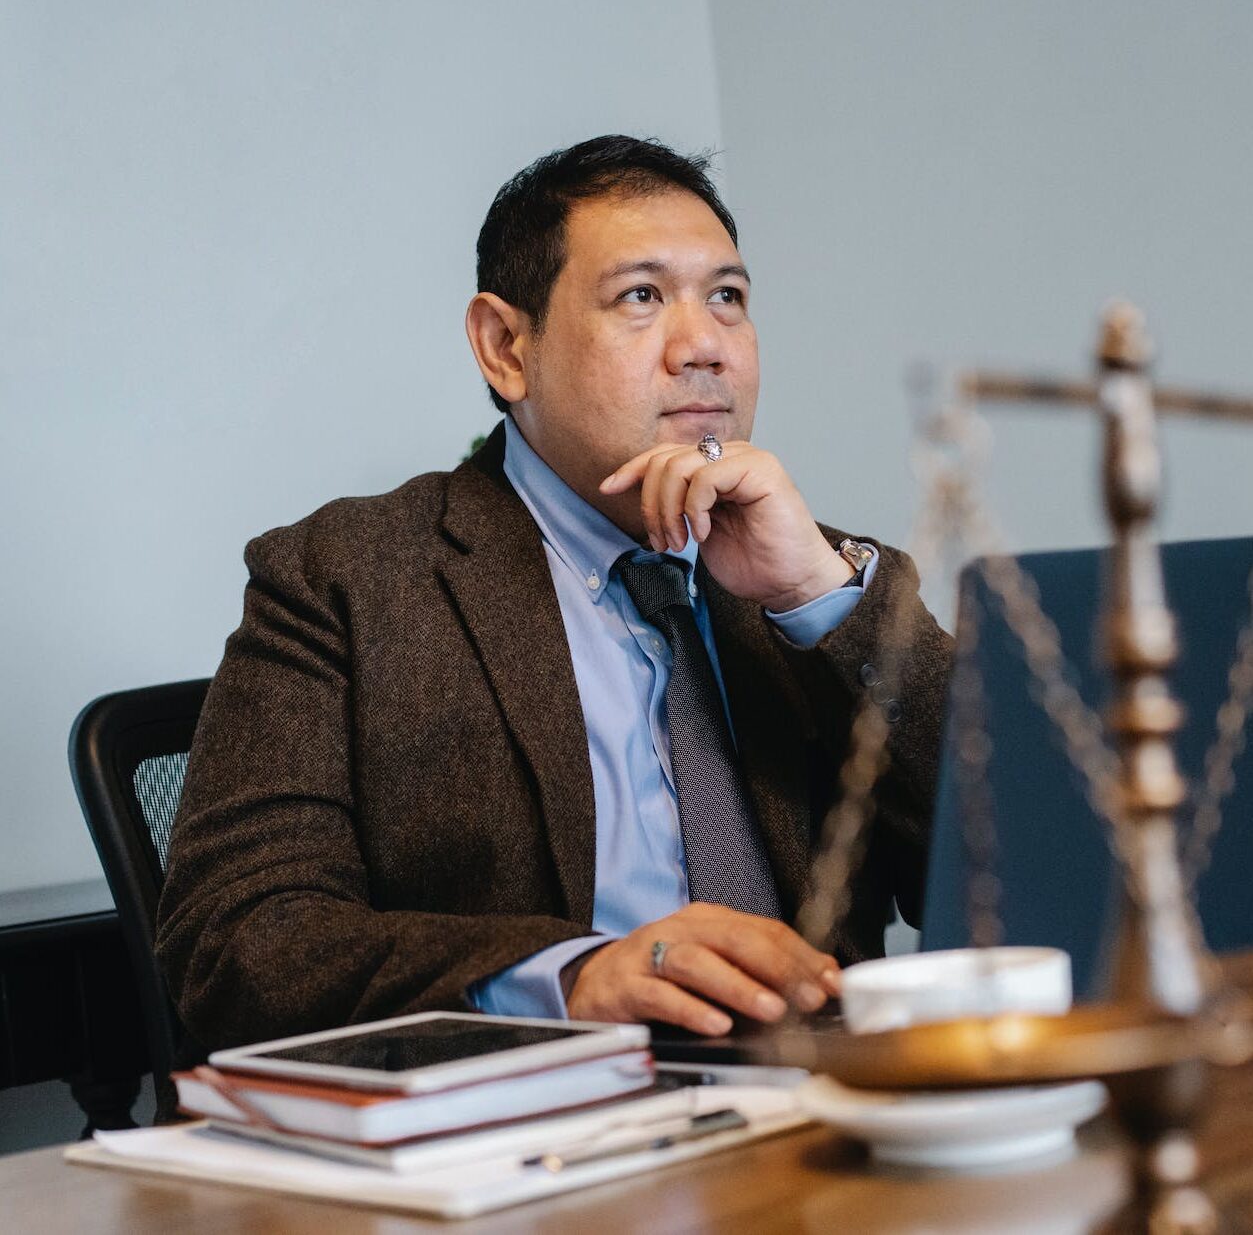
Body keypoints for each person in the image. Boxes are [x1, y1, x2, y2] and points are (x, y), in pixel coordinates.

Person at [155, 135, 951, 1054]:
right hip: (539, 1140)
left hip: (829, 1108)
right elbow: (236, 944)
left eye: (726, 298)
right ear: (505, 346)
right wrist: (570, 976)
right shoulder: (346, 579)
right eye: (641, 297)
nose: (704, 348)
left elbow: (1029, 859)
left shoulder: (819, 578)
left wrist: (819, 598)